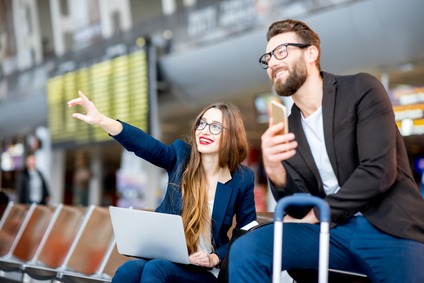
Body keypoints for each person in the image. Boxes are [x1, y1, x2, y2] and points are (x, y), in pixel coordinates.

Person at [229, 19, 424, 283]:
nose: (272, 62)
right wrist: (276, 174)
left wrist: (319, 213)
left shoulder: (361, 90)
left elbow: (378, 172)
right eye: (268, 58)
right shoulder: (290, 129)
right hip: (331, 233)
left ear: (311, 53)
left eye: (281, 51)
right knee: (248, 248)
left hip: (388, 227)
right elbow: (301, 210)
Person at [68, 91, 256, 283]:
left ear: (231, 135)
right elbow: (144, 145)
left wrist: (214, 258)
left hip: (205, 272)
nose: (205, 131)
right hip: (169, 259)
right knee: (129, 269)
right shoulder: (182, 157)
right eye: (202, 123)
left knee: (156, 268)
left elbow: (247, 232)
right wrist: (101, 120)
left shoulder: (242, 179)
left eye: (216, 126)